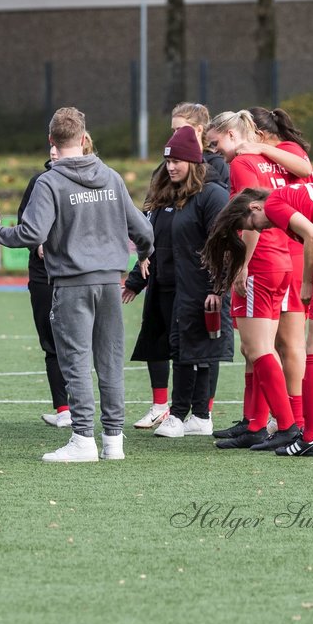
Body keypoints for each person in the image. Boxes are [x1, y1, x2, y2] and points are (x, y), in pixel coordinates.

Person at [0, 107, 153, 463]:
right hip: (109, 282)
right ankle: (113, 440)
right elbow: (143, 231)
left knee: (76, 361)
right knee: (110, 361)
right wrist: (144, 254)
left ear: (52, 141)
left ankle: (84, 439)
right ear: (84, 139)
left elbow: (31, 234)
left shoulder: (49, 182)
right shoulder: (112, 177)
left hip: (71, 284)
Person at [203, 183, 313, 456]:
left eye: (252, 224)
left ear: (255, 206)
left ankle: (308, 438)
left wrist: (307, 281)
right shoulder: (309, 190)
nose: (259, 230)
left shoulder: (274, 202)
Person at [123, 127, 233, 438]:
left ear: (193, 162)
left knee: (194, 352)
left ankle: (184, 414)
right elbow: (155, 244)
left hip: (198, 289)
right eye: (168, 161)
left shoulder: (212, 195)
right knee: (182, 350)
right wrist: (135, 281)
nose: (171, 167)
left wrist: (217, 289)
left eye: (178, 161)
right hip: (168, 287)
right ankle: (196, 415)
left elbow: (224, 245)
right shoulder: (167, 194)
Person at [204, 110, 303, 453]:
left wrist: (241, 266)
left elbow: (250, 219)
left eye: (215, 142)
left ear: (232, 135)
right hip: (283, 259)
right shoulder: (271, 161)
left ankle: (287, 425)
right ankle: (256, 423)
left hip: (262, 261)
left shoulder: (241, 164)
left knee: (259, 348)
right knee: (255, 349)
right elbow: (305, 173)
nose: (214, 150)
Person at [246, 106, 313, 430]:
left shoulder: (284, 150)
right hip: (284, 252)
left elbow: (305, 168)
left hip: (291, 253)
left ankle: (296, 418)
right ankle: (274, 417)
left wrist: (262, 149)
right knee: (272, 343)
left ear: (261, 134)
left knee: (289, 342)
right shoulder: (267, 157)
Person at [18, 143, 71, 428]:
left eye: (59, 150)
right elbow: (24, 222)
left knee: (78, 342)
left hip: (75, 273)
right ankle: (63, 409)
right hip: (43, 275)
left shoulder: (86, 182)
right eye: (51, 149)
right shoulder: (37, 183)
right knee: (50, 341)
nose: (54, 154)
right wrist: (38, 243)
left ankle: (84, 408)